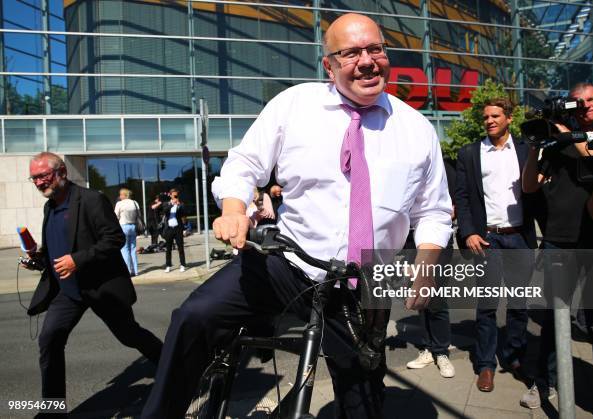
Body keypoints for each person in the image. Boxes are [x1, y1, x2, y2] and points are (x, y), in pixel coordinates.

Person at [141, 13, 452, 419]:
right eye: (351, 53)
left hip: (363, 282)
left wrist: (427, 264)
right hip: (286, 264)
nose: (366, 61)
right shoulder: (295, 104)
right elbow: (243, 164)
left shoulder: (416, 128)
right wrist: (234, 210)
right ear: (329, 65)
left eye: (375, 49)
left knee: (364, 402)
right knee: (195, 317)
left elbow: (433, 210)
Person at [24, 152, 163, 416]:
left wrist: (77, 260)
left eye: (43, 176)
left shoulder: (90, 199)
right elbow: (59, 247)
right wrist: (39, 258)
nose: (39, 182)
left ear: (61, 172)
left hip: (101, 287)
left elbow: (114, 239)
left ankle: (172, 365)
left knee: (129, 335)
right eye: (34, 178)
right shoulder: (50, 206)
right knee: (50, 339)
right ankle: (52, 410)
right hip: (68, 292)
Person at [521, 82, 593, 408]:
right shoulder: (556, 146)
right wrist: (535, 146)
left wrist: (567, 133)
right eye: (577, 102)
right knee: (554, 320)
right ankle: (545, 383)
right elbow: (530, 186)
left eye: (590, 100)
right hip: (558, 242)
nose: (585, 106)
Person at [455, 98, 538, 392]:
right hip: (486, 239)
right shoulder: (470, 153)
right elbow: (462, 198)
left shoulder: (527, 150)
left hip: (519, 236)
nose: (489, 120)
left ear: (509, 119)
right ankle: (486, 364)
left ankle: (515, 357)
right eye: (486, 116)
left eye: (495, 116)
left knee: (518, 304)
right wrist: (468, 233)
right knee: (487, 306)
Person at [405, 159, 457, 378]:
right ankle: (427, 349)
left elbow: (453, 207)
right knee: (419, 298)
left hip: (437, 241)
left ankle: (441, 351)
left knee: (436, 298)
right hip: (409, 240)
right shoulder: (406, 167)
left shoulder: (446, 167)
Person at [114, 188, 140, 276]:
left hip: (123, 226)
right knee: (133, 248)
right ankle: (135, 271)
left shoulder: (119, 204)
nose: (120, 196)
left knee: (124, 249)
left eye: (120, 195)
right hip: (133, 226)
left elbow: (115, 216)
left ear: (124, 195)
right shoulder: (135, 203)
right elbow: (139, 215)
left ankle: (128, 270)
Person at [161, 188, 187, 273]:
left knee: (180, 247)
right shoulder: (166, 203)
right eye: (174, 194)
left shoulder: (181, 204)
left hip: (178, 228)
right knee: (168, 248)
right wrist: (172, 204)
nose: (175, 196)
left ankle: (182, 265)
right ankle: (168, 265)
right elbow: (165, 211)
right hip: (169, 229)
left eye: (176, 194)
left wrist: (179, 205)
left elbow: (184, 213)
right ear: (171, 195)